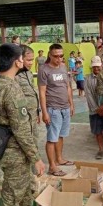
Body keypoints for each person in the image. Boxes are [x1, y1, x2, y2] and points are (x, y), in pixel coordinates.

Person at [0, 43, 45, 206]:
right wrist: (36, 157)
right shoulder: (12, 88)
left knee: (26, 190)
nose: (23, 60)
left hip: (4, 146)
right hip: (15, 151)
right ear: (16, 61)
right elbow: (20, 128)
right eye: (22, 57)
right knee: (11, 197)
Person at [38, 43, 75, 176]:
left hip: (65, 107)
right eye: (56, 56)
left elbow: (68, 87)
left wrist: (71, 104)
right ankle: (52, 166)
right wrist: (44, 112)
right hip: (52, 108)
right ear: (49, 55)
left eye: (61, 56)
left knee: (61, 135)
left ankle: (59, 159)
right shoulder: (44, 69)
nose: (59, 59)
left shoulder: (64, 67)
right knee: (52, 138)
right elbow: (42, 92)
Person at [84, 56, 103, 159]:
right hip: (95, 111)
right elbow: (88, 95)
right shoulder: (88, 79)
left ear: (101, 66)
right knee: (98, 132)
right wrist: (97, 109)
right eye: (94, 67)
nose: (97, 69)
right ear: (92, 68)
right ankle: (101, 149)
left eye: (98, 67)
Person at [15, 45, 40, 146]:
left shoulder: (28, 73)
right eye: (28, 60)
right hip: (23, 117)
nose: (31, 63)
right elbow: (17, 99)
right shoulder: (14, 75)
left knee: (34, 139)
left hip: (33, 114)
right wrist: (23, 117)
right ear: (20, 59)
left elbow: (32, 92)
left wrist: (38, 112)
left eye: (32, 60)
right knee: (26, 142)